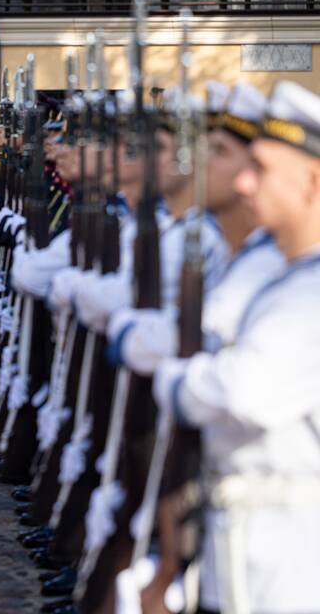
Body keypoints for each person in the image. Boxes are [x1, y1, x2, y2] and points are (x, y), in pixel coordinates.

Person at [145, 81, 320, 614]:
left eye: (262, 168)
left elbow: (244, 389)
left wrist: (180, 379)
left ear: (313, 182)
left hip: (285, 565)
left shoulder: (308, 294)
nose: (245, 181)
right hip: (236, 546)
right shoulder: (286, 278)